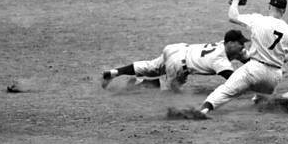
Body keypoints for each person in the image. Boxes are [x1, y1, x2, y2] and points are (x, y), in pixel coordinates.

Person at [198, 0, 288, 116]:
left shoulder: (258, 20)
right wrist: (283, 59)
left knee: (226, 91)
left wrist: (235, 0)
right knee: (261, 99)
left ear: (269, 6)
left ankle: (203, 110)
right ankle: (270, 104)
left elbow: (232, 16)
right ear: (283, 10)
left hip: (254, 70)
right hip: (274, 77)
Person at [101, 29, 250, 91]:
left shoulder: (223, 44)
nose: (243, 46)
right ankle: (141, 83)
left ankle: (114, 72)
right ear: (230, 44)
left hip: (176, 49)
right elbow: (234, 80)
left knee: (151, 67)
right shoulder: (220, 60)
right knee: (171, 91)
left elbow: (247, 60)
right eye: (240, 43)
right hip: (178, 65)